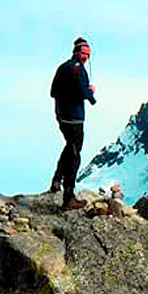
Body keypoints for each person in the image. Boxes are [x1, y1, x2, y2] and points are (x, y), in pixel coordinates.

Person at [49, 37, 96, 210]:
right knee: (75, 154)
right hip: (75, 118)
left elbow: (52, 92)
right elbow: (85, 94)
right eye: (84, 53)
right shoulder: (80, 71)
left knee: (70, 147)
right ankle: (68, 197)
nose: (85, 57)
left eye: (88, 55)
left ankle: (56, 180)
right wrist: (91, 94)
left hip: (61, 115)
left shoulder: (62, 68)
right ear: (76, 52)